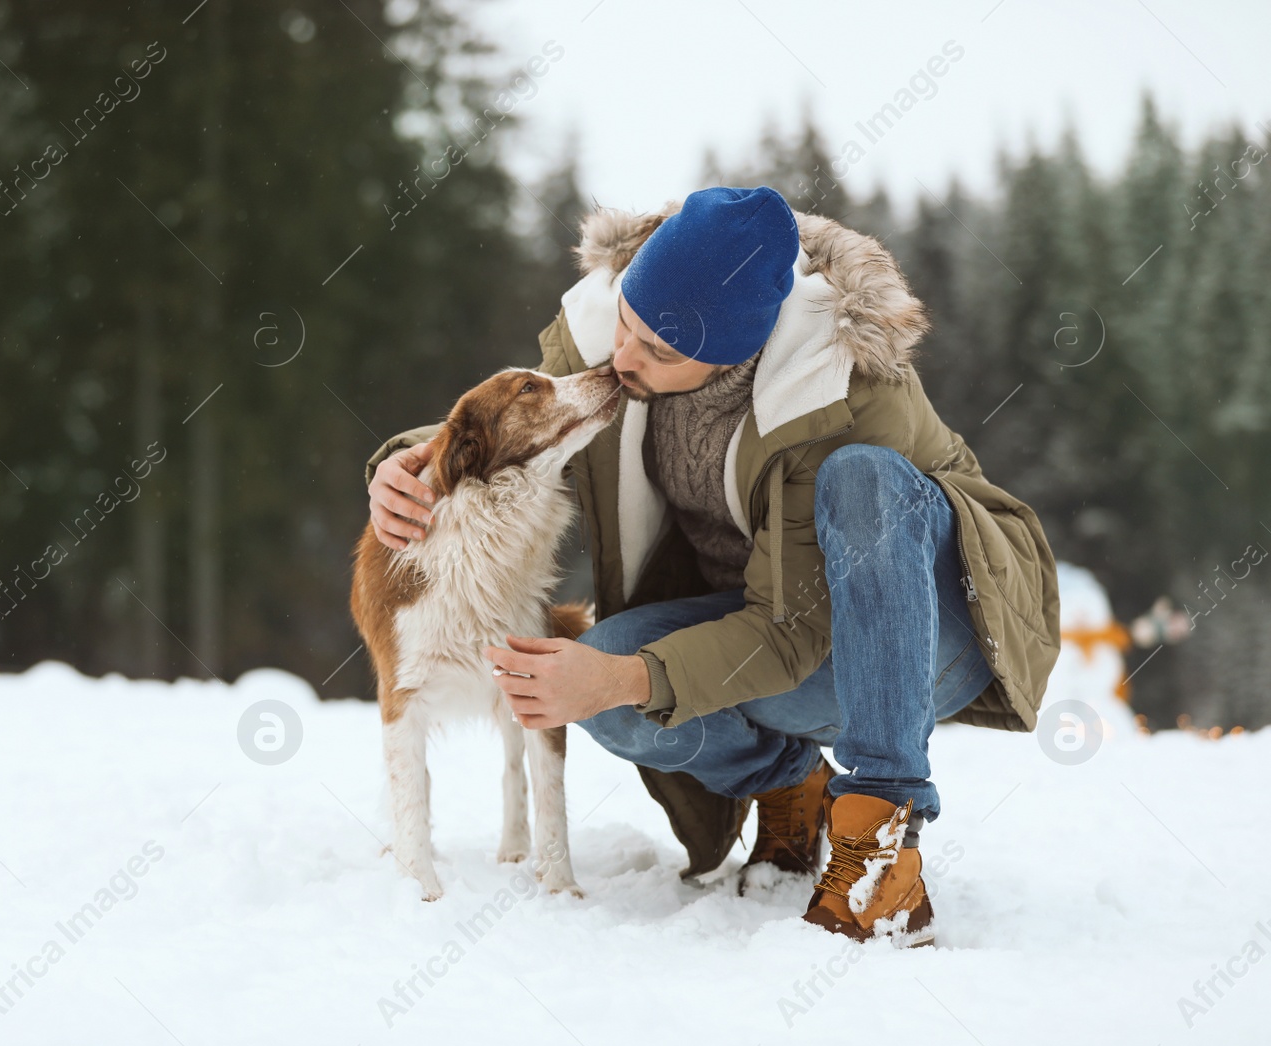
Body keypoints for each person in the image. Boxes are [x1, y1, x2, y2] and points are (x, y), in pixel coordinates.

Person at [364, 186, 1059, 944]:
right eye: (628, 322)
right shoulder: (617, 342)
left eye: (660, 349)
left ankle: (879, 844)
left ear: (735, 352)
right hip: (769, 629)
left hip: (934, 632)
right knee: (601, 677)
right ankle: (789, 779)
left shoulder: (847, 389)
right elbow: (514, 420)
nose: (623, 358)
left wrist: (632, 674)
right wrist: (403, 465)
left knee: (865, 480)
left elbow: (790, 630)